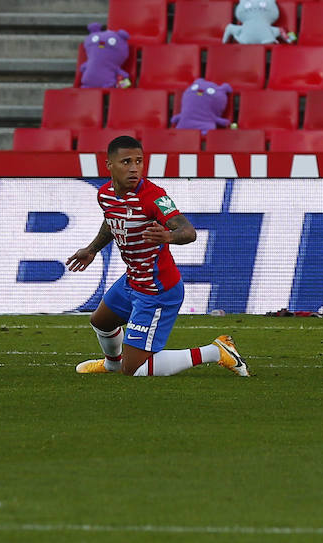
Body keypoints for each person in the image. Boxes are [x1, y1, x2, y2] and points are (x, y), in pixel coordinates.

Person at [67, 135, 249, 379]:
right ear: (109, 165)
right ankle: (112, 364)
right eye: (126, 162)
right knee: (101, 321)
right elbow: (112, 221)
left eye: (139, 161)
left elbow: (188, 231)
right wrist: (92, 249)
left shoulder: (154, 196)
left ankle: (215, 351)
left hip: (156, 289)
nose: (134, 168)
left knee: (134, 370)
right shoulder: (105, 194)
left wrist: (168, 236)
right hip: (132, 279)